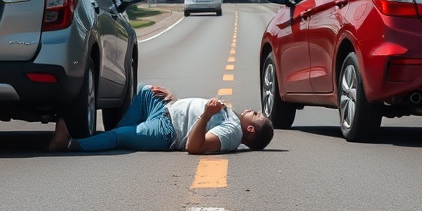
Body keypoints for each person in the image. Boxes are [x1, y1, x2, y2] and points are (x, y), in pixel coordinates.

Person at [50, 84, 273, 154]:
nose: (253, 110)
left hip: (167, 130)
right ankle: (110, 141)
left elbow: (194, 147)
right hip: (165, 109)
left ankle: (69, 144)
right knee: (147, 90)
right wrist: (173, 100)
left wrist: (206, 115)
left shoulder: (233, 133)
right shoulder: (233, 120)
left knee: (119, 136)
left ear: (251, 130)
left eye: (256, 115)